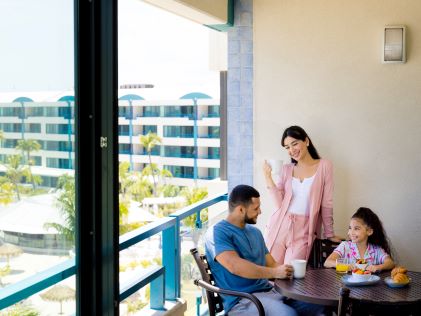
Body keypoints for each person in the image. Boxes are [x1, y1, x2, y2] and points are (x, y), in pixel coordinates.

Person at [204, 184, 324, 316]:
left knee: (318, 304)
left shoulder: (255, 232)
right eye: (256, 208)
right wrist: (274, 272)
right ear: (240, 210)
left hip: (270, 292)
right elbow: (234, 266)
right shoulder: (217, 233)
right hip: (243, 301)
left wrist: (288, 271)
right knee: (287, 314)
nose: (260, 211)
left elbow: (272, 264)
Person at [264, 125, 341, 264]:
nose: (291, 150)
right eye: (287, 147)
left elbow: (327, 203)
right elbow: (279, 205)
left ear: (306, 141)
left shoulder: (325, 166)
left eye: (294, 144)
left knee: (292, 274)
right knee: (270, 272)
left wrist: (329, 233)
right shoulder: (286, 169)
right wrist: (268, 177)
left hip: (304, 230)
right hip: (279, 226)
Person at [324, 207, 395, 272]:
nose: (351, 232)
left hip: (369, 285)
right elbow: (327, 262)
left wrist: (377, 267)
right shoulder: (345, 246)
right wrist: (344, 266)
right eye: (350, 228)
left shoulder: (376, 250)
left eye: (356, 228)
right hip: (347, 285)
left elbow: (390, 263)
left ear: (369, 231)